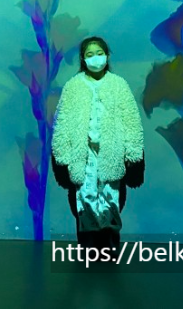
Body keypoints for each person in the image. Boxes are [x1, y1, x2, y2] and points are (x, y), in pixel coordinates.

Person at [51, 36, 145, 254]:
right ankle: (89, 245)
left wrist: (132, 150)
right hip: (84, 153)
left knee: (110, 197)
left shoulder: (118, 85)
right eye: (90, 54)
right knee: (85, 197)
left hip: (111, 151)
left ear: (107, 56)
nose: (95, 58)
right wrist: (62, 151)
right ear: (83, 59)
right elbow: (62, 120)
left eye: (99, 53)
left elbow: (131, 119)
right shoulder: (73, 86)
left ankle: (110, 244)